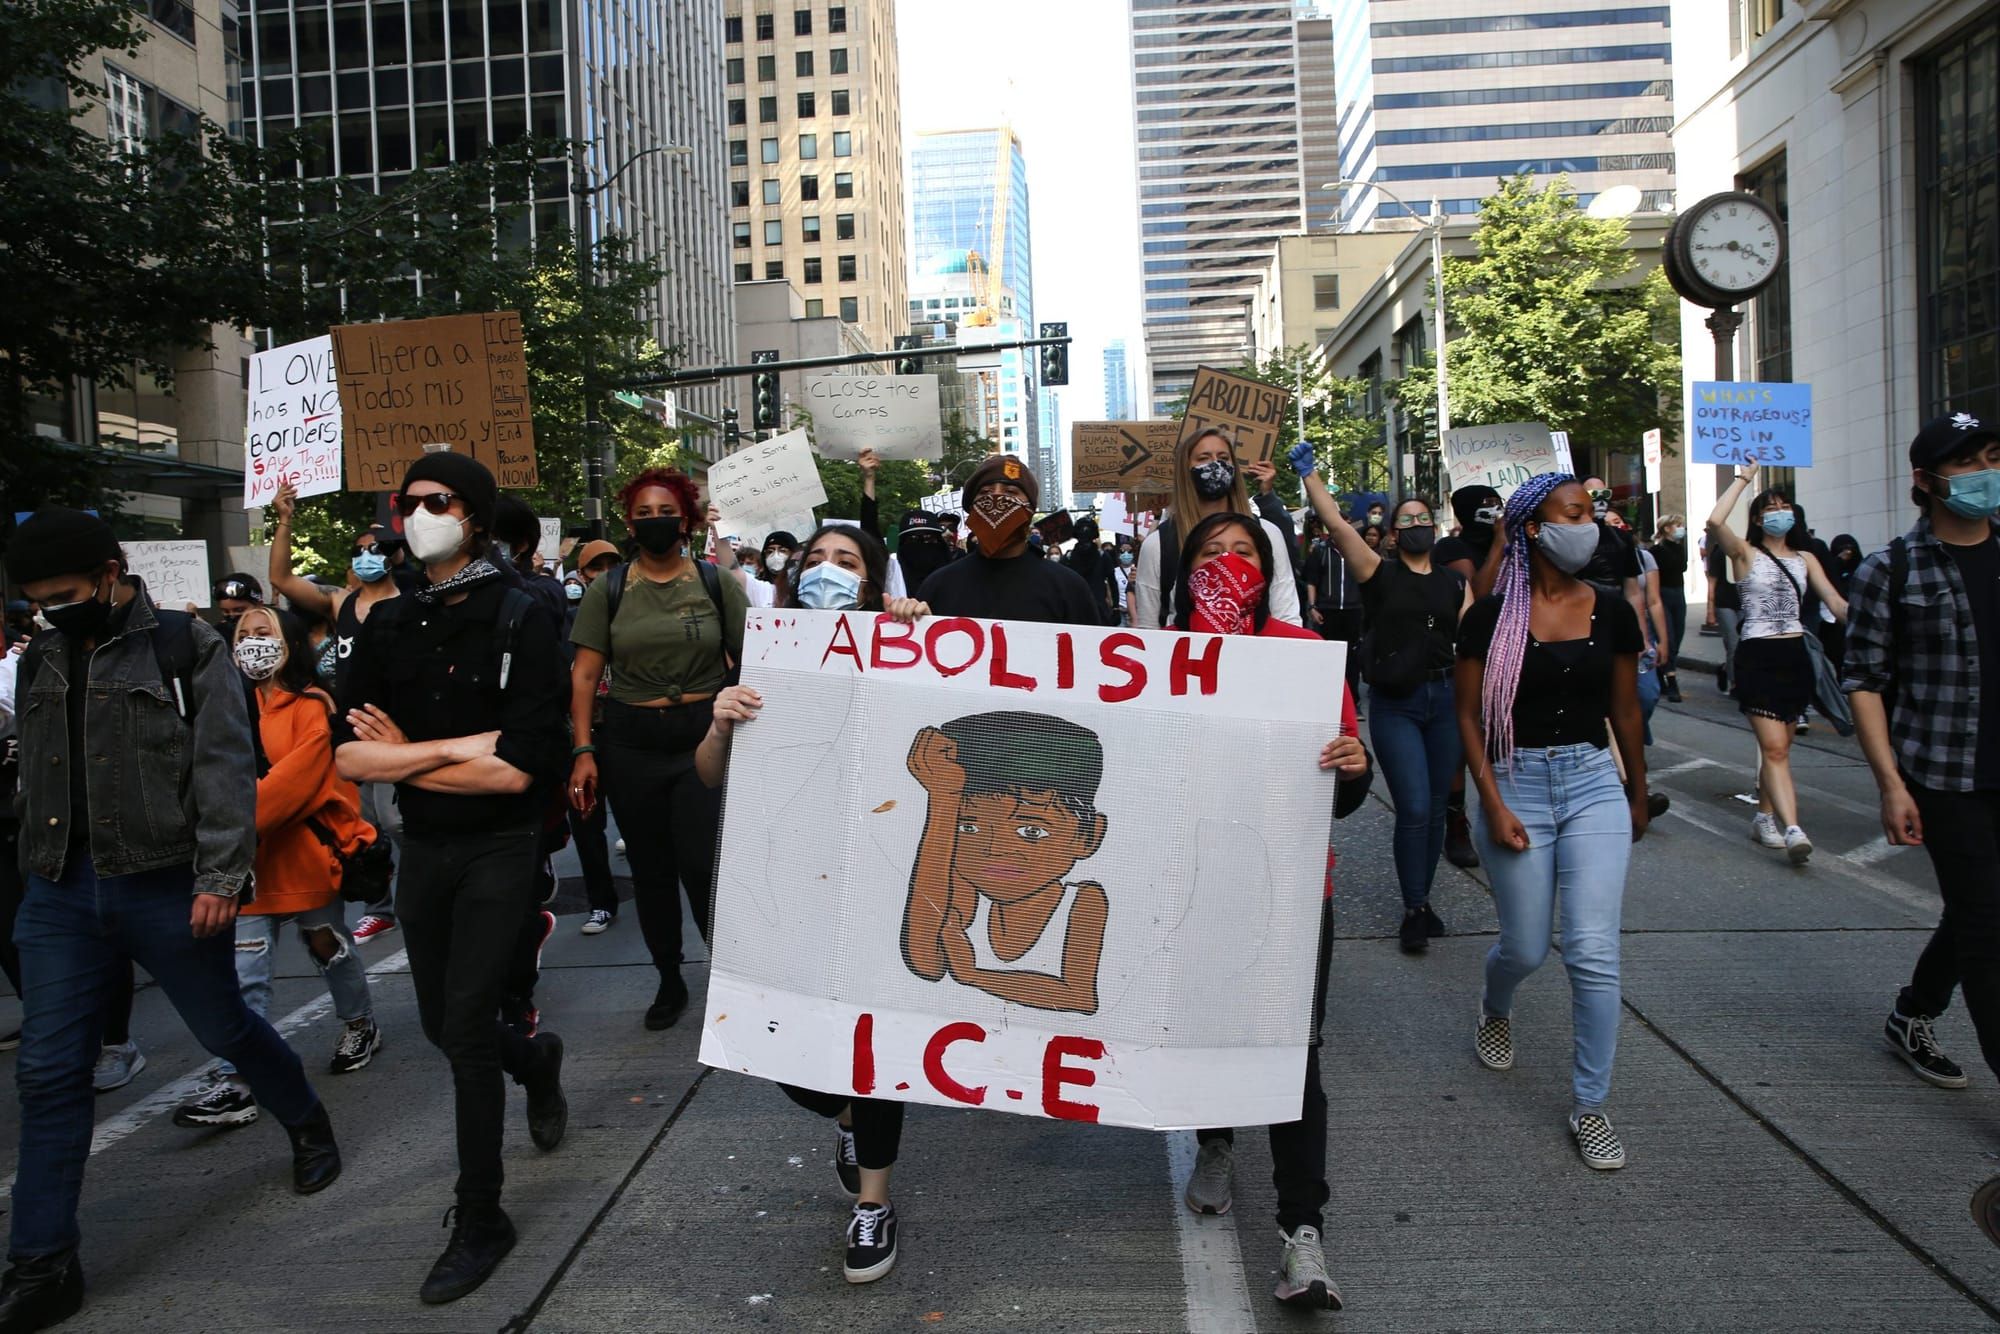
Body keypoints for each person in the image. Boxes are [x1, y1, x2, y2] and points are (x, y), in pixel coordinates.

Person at [2, 508, 341, 1329]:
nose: (56, 611)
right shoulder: (43, 656)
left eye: (69, 594)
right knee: (48, 1072)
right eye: (41, 601)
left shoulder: (190, 649)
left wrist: (222, 876)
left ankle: (305, 1121)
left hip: (163, 884)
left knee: (224, 1027)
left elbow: (224, 767)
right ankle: (42, 1263)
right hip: (58, 891)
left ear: (112, 572)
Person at [333, 454, 570, 1305]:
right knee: (441, 1022)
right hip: (424, 848)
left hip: (501, 846)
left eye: (439, 502)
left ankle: (481, 1216)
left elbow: (520, 771)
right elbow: (351, 751)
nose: (419, 514)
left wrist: (406, 758)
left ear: (473, 515)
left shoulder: (521, 614)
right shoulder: (390, 624)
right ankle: (536, 1062)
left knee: (465, 1026)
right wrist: (455, 749)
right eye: (410, 503)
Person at [688, 522, 921, 1283]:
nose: (826, 570)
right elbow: (710, 774)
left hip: (881, 868)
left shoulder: (905, 645)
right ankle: (846, 1118)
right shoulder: (767, 653)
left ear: (872, 579)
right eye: (816, 559)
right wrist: (722, 720)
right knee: (789, 1053)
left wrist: (920, 634)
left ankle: (874, 1204)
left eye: (846, 561)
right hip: (787, 872)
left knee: (874, 1040)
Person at [1163, 509, 1371, 1311]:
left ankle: (1301, 1233)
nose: (1227, 562)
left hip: (1291, 884)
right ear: (1185, 575)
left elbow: (1345, 792)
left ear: (1269, 567)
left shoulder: (1306, 658)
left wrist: (1353, 765)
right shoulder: (1150, 658)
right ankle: (1216, 1143)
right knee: (1209, 1020)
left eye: (1244, 550)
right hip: (1186, 879)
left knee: (1294, 1048)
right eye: (1210, 553)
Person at [1454, 473, 1648, 1172]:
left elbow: (1626, 711)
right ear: (1534, 528)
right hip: (1517, 784)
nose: (1589, 524)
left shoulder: (1611, 610)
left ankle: (1590, 1105)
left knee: (1593, 952)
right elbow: (1469, 719)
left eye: (1592, 513)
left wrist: (1636, 792)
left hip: (1593, 782)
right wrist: (1494, 802)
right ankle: (1495, 1003)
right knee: (1528, 948)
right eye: (1575, 513)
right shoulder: (1490, 616)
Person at [173, 607, 381, 1131]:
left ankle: (359, 1023)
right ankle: (237, 1081)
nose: (251, 644)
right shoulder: (222, 706)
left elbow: (294, 784)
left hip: (303, 856)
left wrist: (223, 819)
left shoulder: (313, 705)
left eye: (263, 634)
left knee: (329, 947)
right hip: (245, 866)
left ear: (289, 643)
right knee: (244, 975)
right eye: (242, 636)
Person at [1845, 415, 2000, 1107]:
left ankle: (1914, 1010)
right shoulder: (1892, 569)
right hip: (1944, 774)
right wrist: (1890, 786)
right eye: (1967, 463)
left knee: (1978, 913)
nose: (1984, 474)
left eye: (1991, 457)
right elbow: (1865, 682)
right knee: (1988, 931)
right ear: (1926, 481)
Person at [567, 469, 747, 1030]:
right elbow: (584, 675)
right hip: (630, 740)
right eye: (642, 514)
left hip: (702, 736)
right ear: (629, 523)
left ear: (686, 520)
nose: (654, 522)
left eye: (663, 511)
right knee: (650, 870)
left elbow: (753, 660)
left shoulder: (717, 584)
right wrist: (583, 750)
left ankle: (729, 975)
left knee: (702, 865)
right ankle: (669, 978)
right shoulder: (609, 589)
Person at [1291, 444, 1469, 953]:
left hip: (1445, 700)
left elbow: (1473, 646)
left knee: (1437, 806)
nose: (1416, 523)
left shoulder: (1457, 584)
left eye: (1422, 517)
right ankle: (1414, 907)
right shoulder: (1378, 572)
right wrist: (1311, 477)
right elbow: (1338, 525)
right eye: (1405, 519)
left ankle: (1423, 897)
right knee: (1413, 805)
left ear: (1434, 528)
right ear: (1393, 533)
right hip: (1398, 704)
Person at [267, 482, 408, 944]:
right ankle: (381, 906)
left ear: (399, 556)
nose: (367, 555)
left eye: (378, 548)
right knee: (363, 827)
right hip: (348, 733)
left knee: (395, 821)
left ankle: (427, 886)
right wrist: (285, 520)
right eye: (360, 549)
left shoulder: (412, 605)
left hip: (394, 729)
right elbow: (283, 581)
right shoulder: (340, 603)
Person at [1705, 467, 1848, 864]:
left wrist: (1875, 620)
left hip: (1795, 655)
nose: (1780, 513)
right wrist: (1743, 480)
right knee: (1775, 749)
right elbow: (1715, 521)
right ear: (1757, 519)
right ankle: (1794, 829)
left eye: (1786, 506)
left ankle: (1764, 817)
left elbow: (1835, 604)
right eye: (1771, 508)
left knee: (1780, 748)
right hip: (1758, 656)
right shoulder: (1743, 553)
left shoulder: (1805, 558)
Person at [901, 456, 1103, 626]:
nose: (997, 498)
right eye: (985, 493)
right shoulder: (939, 585)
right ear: (972, 511)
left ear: (1030, 509)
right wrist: (913, 621)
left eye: (1010, 492)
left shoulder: (1068, 587)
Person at [1131, 429, 1301, 630]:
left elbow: (1286, 612)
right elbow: (1148, 627)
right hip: (1189, 658)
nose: (1216, 464)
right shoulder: (1159, 544)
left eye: (1223, 458)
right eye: (1204, 458)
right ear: (1185, 470)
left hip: (1258, 657)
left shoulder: (1267, 533)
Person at [1433, 484, 1507, 869]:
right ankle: (1456, 823)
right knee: (1463, 744)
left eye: (1498, 504)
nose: (1494, 511)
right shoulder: (1451, 550)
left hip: (1510, 651)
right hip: (1467, 654)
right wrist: (1499, 544)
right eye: (1486, 506)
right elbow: (1476, 596)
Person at [564, 539, 624, 937]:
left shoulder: (634, 614)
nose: (602, 575)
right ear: (580, 576)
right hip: (581, 739)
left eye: (610, 567)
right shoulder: (563, 621)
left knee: (641, 821)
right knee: (586, 823)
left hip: (627, 734)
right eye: (593, 568)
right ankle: (601, 902)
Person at [1649, 515, 1691, 702]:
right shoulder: (1657, 550)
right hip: (1663, 594)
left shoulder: (1680, 548)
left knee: (1679, 633)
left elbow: (1681, 567)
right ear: (1666, 528)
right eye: (1678, 525)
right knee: (1669, 637)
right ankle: (1671, 678)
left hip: (1678, 593)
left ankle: (1661, 669)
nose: (1681, 528)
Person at [1705, 533, 1742, 695]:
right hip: (1724, 602)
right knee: (1733, 642)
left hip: (1744, 602)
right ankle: (1735, 683)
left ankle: (1726, 669)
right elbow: (1712, 582)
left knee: (1744, 644)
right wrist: (1710, 611)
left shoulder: (1745, 549)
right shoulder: (1719, 552)